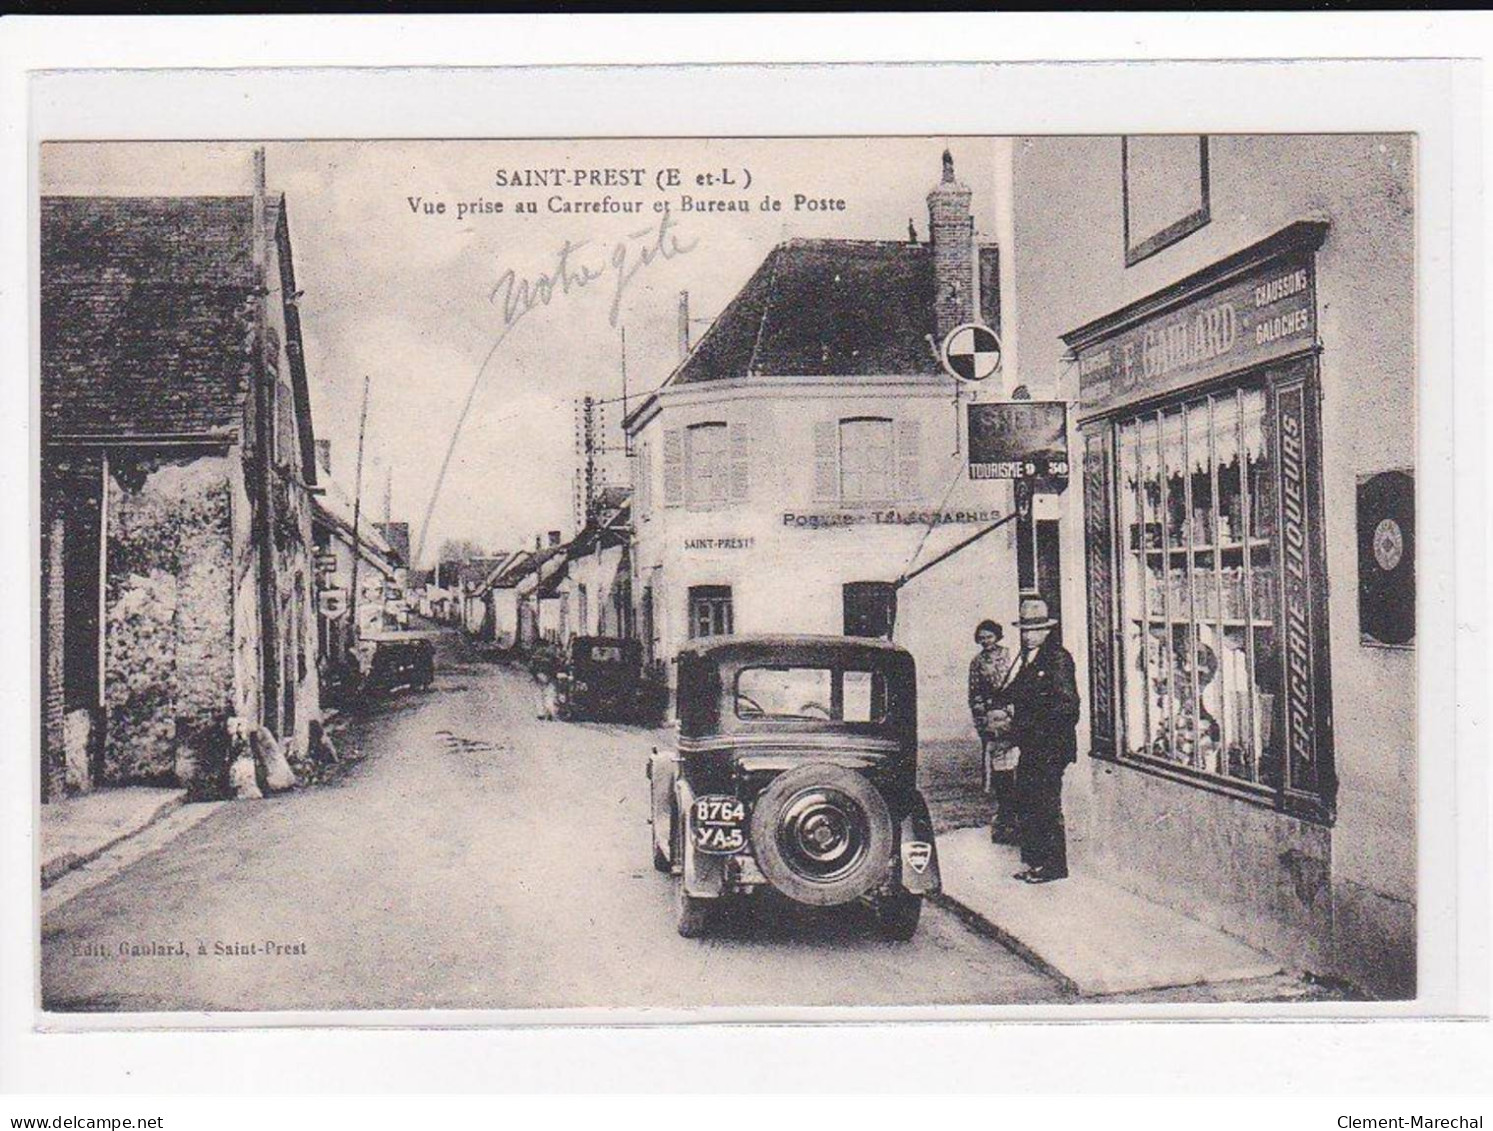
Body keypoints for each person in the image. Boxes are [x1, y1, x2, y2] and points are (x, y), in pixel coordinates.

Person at [1004, 596, 1081, 883]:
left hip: (1050, 748)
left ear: (1046, 631)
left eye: (1033, 630)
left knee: (1045, 805)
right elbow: (1013, 691)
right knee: (1027, 801)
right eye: (1024, 630)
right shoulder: (1029, 660)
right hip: (1032, 746)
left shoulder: (1057, 659)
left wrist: (1030, 723)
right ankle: (1035, 863)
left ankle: (1053, 867)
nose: (1027, 635)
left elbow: (1068, 707)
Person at [967, 619, 1018, 844]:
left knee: (1019, 768)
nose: (986, 641)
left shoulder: (1011, 655)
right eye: (982, 638)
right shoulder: (977, 662)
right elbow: (975, 694)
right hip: (993, 720)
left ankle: (1019, 819)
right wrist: (982, 724)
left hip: (1014, 717)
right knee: (1000, 772)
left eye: (989, 636)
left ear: (998, 636)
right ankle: (1005, 818)